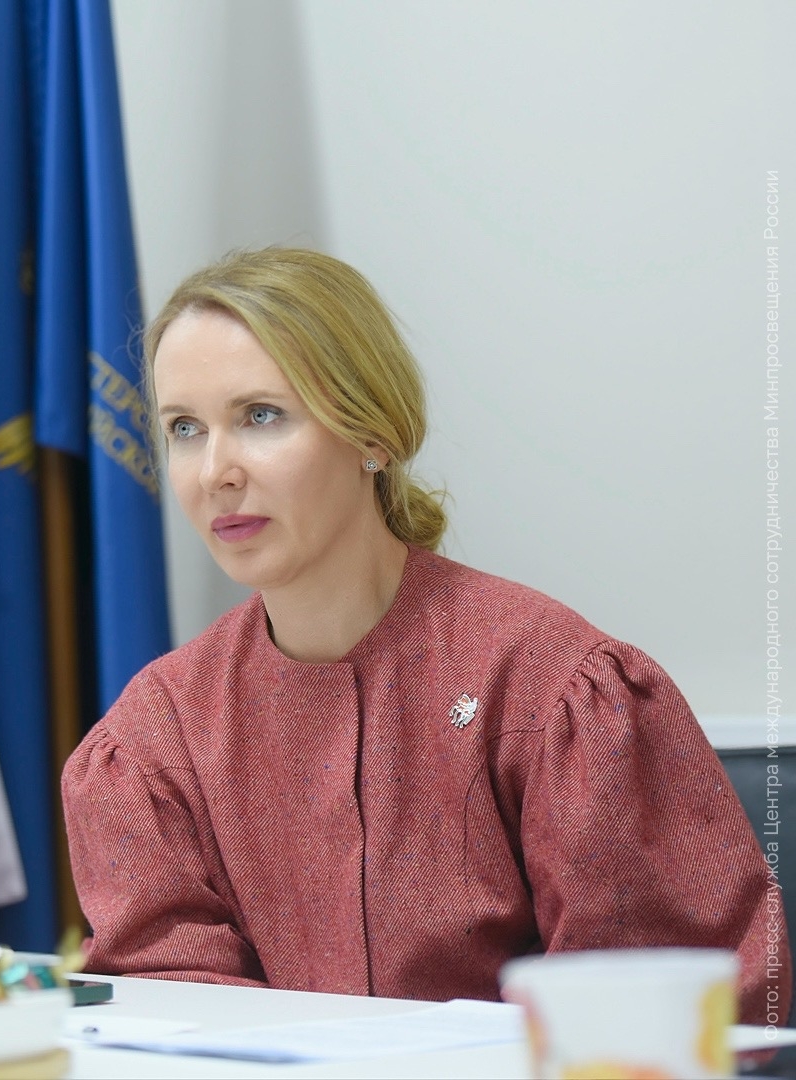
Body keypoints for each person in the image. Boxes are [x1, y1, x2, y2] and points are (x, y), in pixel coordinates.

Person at [62, 247, 789, 1024]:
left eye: (260, 416)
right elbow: (173, 1023)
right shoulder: (152, 741)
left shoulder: (553, 686)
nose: (216, 472)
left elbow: (666, 1017)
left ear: (372, 433)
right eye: (184, 428)